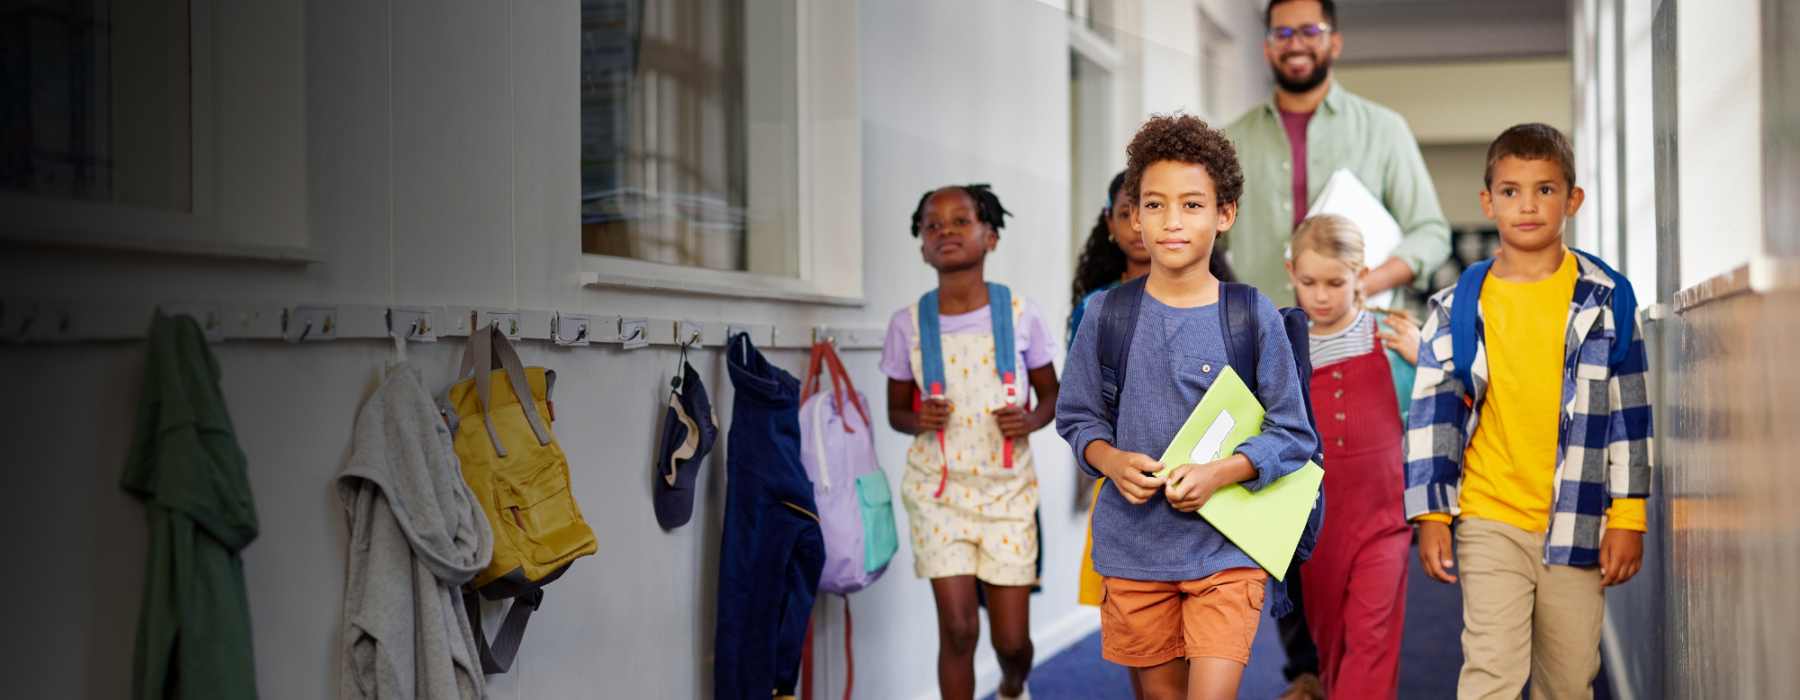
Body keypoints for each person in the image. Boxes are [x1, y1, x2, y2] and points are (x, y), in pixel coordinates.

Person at [1221, 3, 1453, 695]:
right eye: (1284, 31)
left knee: (1352, 522)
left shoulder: (1383, 130)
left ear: (1334, 40)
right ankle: (1308, 671)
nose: (1297, 43)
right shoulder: (1231, 143)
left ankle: (1327, 678)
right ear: (1267, 46)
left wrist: (1357, 285)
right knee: (1281, 511)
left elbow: (1431, 231)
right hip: (1266, 356)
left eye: (1310, 30)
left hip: (1362, 344)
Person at [1057, 114, 1317, 700]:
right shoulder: (1107, 314)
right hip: (1134, 552)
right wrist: (1110, 461)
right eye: (1154, 205)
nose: (1172, 221)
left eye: (1192, 205)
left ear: (1224, 214)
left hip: (1226, 551)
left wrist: (1221, 472)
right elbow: (1077, 417)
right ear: (1134, 216)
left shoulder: (1251, 315)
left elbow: (1292, 432)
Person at [1406, 124, 1652, 700]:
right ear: (1488, 201)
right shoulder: (1456, 308)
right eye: (1511, 191)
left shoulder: (1607, 300)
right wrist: (1432, 516)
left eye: (1545, 190)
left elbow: (1630, 416)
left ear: (1573, 200)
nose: (1528, 205)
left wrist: (1629, 517)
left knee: (1567, 681)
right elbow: (1431, 420)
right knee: (1491, 672)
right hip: (1490, 515)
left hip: (1580, 519)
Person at [881, 184, 1061, 700]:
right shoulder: (908, 325)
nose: (945, 232)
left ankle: (1010, 686)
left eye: (960, 221)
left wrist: (1028, 420)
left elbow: (1052, 396)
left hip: (1006, 494)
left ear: (991, 237)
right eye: (932, 226)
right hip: (938, 494)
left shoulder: (1022, 315)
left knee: (1011, 640)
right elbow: (895, 410)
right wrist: (918, 418)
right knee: (958, 630)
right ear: (921, 246)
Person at [1283, 213, 1420, 699]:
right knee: (1332, 644)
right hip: (1314, 527)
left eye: (1336, 283)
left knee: (1372, 636)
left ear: (1361, 276)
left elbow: (1444, 413)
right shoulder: (1282, 344)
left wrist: (1426, 362)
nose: (1321, 295)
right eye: (1309, 282)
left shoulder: (1394, 335)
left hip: (1385, 519)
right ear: (1290, 272)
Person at [1070, 171, 1238, 347]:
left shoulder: (1228, 307)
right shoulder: (1095, 307)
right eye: (1126, 214)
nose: (1138, 225)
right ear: (1110, 225)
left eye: (1154, 207)